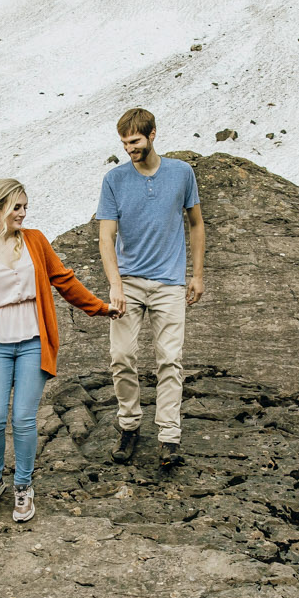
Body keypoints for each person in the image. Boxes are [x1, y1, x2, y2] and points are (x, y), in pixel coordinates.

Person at [0, 177, 114, 522]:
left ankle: (23, 487)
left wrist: (99, 308)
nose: (23, 213)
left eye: (25, 207)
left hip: (34, 341)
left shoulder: (35, 240)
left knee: (24, 419)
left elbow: (64, 280)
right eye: (16, 207)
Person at [96, 107, 205, 471]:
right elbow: (106, 235)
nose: (130, 149)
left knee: (169, 360)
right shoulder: (114, 180)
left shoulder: (181, 173)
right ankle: (129, 426)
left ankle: (169, 436)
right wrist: (115, 285)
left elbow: (196, 224)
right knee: (122, 356)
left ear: (153, 134)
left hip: (170, 283)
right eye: (125, 143)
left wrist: (197, 274)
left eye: (136, 141)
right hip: (128, 281)